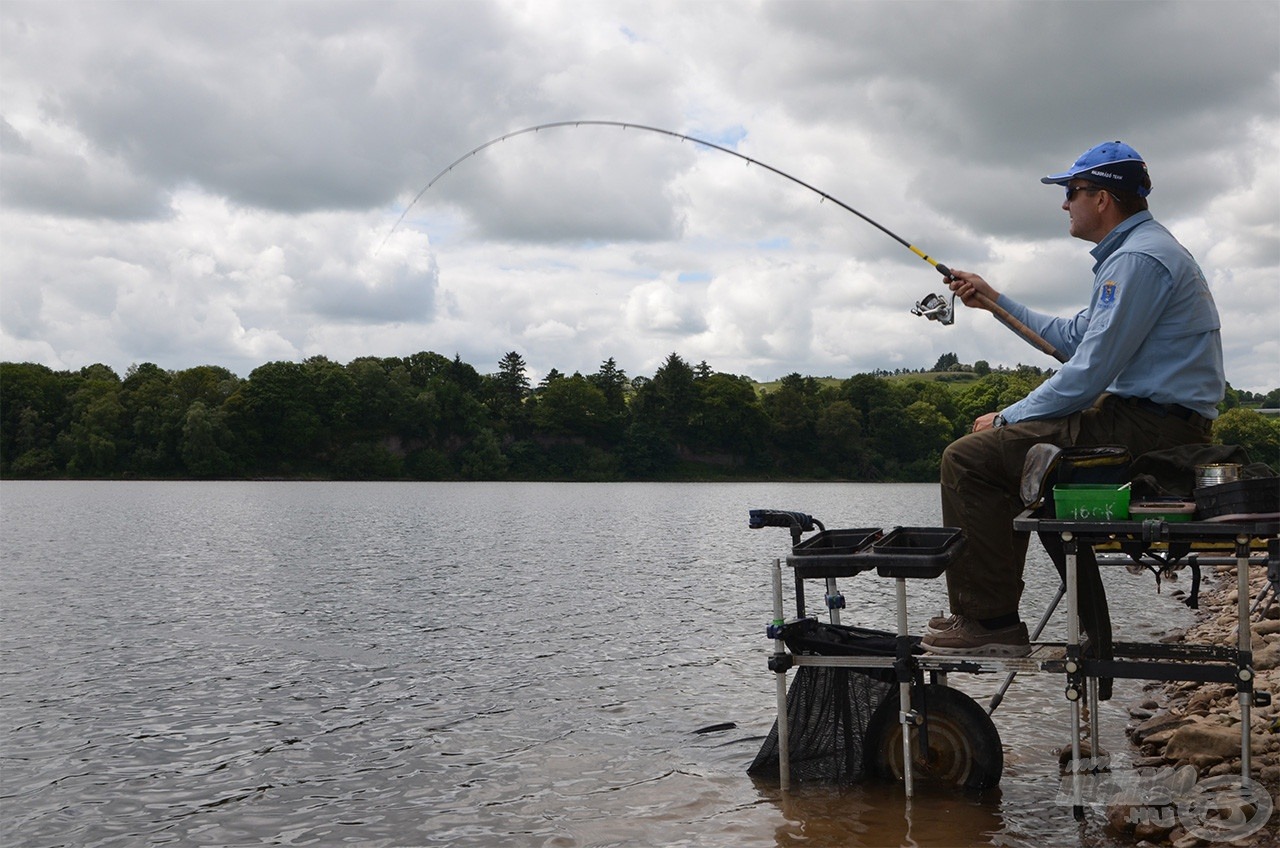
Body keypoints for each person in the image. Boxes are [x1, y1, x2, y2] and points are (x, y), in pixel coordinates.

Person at [922, 140, 1225, 657]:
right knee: (995, 454)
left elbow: (1086, 374)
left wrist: (1007, 416)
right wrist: (993, 300)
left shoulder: (1139, 261)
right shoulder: (1138, 256)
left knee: (968, 459)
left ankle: (988, 623)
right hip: (1145, 419)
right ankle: (991, 614)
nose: (1065, 202)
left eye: (1072, 191)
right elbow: (1070, 336)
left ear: (1103, 198)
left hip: (1149, 428)